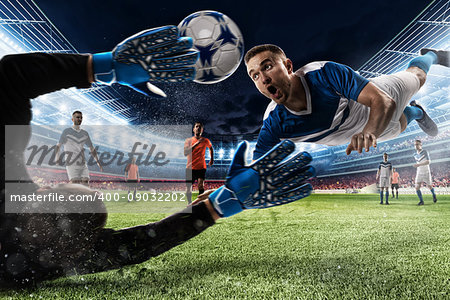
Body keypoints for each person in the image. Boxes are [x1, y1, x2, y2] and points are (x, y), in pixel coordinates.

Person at [1, 25, 315, 288]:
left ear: (42, 192)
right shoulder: (64, 254)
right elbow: (143, 244)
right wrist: (216, 205)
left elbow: (10, 77)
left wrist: (100, 67)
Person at [244, 45, 449, 160]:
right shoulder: (274, 123)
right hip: (356, 135)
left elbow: (382, 101)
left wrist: (370, 131)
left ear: (288, 66)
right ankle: (417, 112)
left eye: (268, 67)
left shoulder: (324, 74)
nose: (263, 78)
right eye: (254, 76)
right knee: (400, 126)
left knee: (417, 78)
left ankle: (432, 55)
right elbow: (257, 168)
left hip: (373, 101)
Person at [55, 110, 103, 186]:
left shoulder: (85, 133)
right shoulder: (66, 131)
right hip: (71, 162)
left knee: (86, 185)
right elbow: (58, 146)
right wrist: (57, 158)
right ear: (72, 119)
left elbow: (92, 148)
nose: (79, 119)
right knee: (75, 185)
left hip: (82, 163)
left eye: (81, 117)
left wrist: (98, 161)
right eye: (77, 117)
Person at [184, 122, 214, 203]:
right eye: (196, 126)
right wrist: (197, 144)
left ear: (202, 130)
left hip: (201, 167)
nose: (198, 128)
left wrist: (212, 159)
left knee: (201, 185)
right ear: (193, 129)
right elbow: (185, 153)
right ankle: (189, 203)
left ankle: (201, 203)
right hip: (190, 168)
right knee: (188, 188)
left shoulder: (206, 140)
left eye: (200, 127)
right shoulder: (189, 140)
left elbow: (211, 148)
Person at [413, 140, 437, 205]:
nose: (416, 146)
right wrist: (418, 165)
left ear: (421, 145)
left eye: (417, 144)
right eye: (415, 145)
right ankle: (421, 201)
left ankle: (434, 195)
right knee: (417, 187)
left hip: (426, 172)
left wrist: (419, 165)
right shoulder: (414, 154)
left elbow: (428, 162)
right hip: (419, 172)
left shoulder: (425, 152)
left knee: (429, 186)